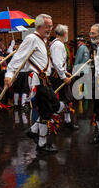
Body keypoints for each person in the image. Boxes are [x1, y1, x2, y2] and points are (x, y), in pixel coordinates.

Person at [6, 14, 62, 152]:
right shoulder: (31, 38)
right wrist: (9, 74)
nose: (51, 29)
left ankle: (33, 130)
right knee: (46, 111)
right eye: (48, 26)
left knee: (54, 105)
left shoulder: (42, 40)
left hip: (45, 80)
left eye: (51, 26)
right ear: (39, 26)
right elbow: (18, 58)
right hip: (37, 81)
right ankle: (41, 144)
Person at [49, 24, 79, 130]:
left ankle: (67, 120)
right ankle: (52, 118)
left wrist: (66, 72)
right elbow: (57, 63)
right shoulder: (58, 45)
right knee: (65, 98)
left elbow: (60, 63)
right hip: (57, 76)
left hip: (58, 74)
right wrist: (63, 77)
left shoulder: (58, 44)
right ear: (64, 33)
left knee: (67, 98)